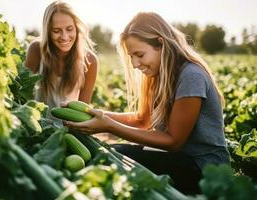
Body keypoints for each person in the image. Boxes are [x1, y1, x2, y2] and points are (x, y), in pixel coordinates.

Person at [63, 12, 230, 194]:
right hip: (178, 158)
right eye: (131, 56)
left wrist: (109, 127)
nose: (134, 63)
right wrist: (92, 114)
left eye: (139, 55)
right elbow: (142, 120)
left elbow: (173, 141)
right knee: (109, 151)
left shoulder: (191, 75)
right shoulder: (158, 75)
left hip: (204, 168)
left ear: (161, 43)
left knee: (111, 158)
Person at [25, 1, 98, 120]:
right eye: (56, 31)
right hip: (39, 126)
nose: (64, 37)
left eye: (69, 29)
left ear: (77, 28)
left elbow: (83, 112)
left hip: (70, 127)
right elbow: (23, 93)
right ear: (48, 31)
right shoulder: (36, 50)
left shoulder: (90, 60)